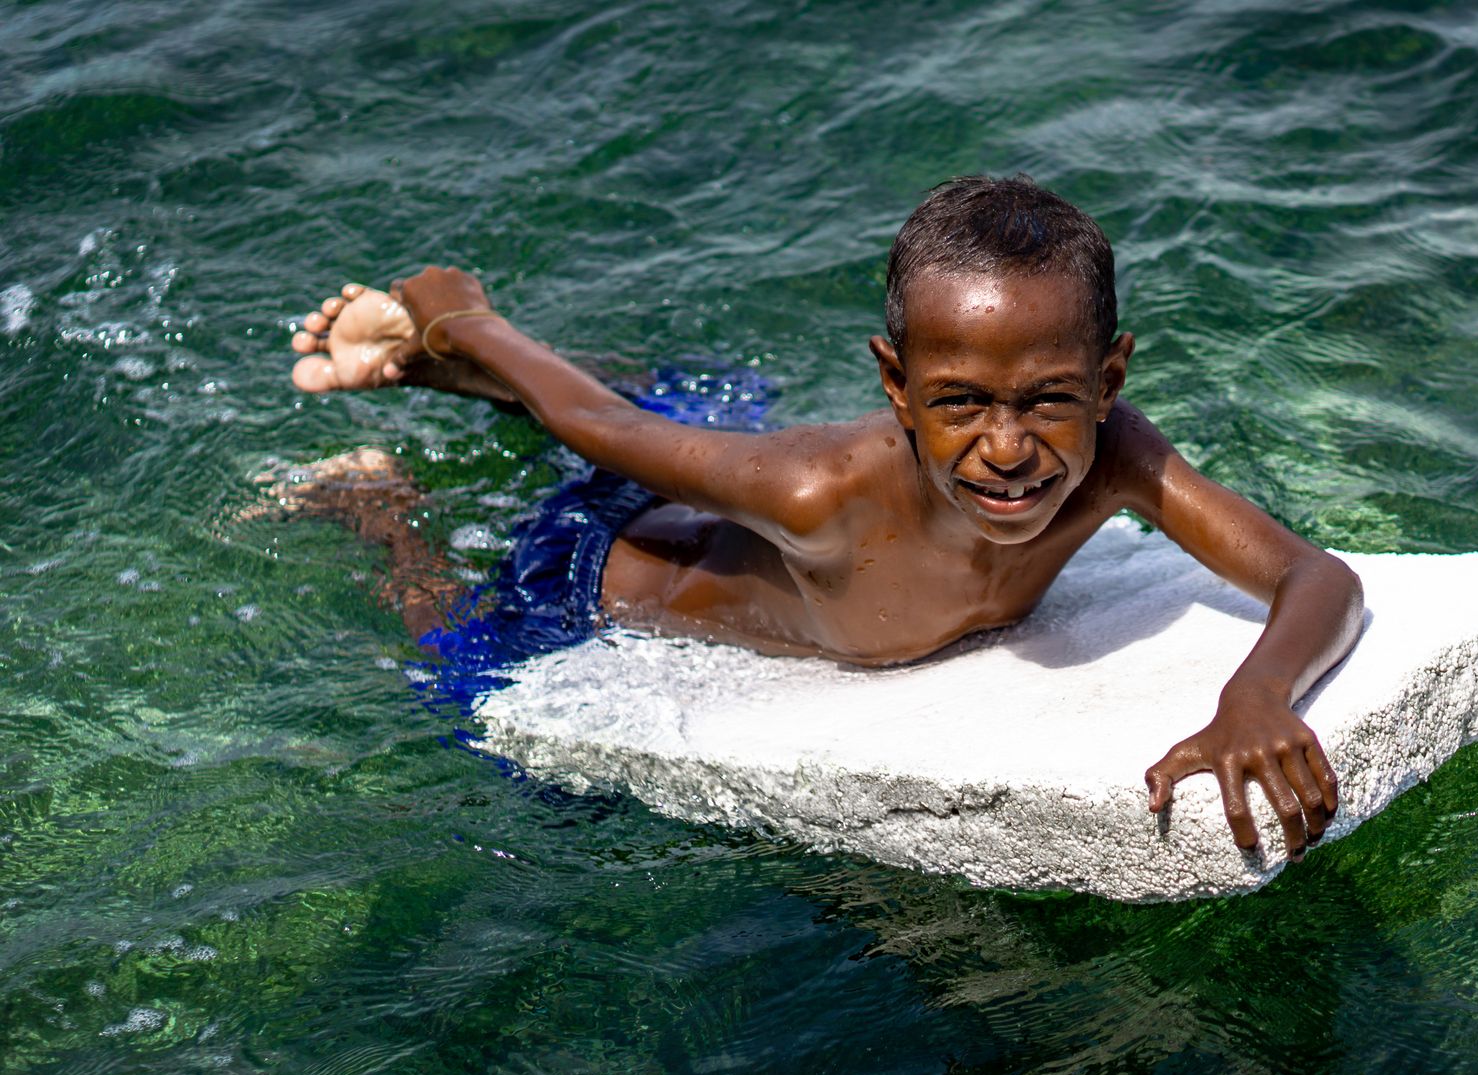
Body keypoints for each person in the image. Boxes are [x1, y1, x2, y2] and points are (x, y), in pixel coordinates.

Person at [281, 176, 1364, 857]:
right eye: (958, 404)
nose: (1006, 446)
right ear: (896, 386)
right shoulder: (815, 490)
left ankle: (459, 383)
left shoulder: (1116, 454)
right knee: (468, 679)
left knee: (694, 404)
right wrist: (461, 314)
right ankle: (379, 502)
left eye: (1047, 399)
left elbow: (1317, 579)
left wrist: (1254, 694)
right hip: (592, 567)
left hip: (701, 488)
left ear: (1107, 377)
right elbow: (593, 422)